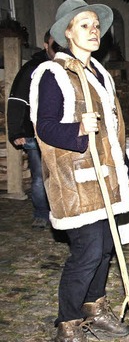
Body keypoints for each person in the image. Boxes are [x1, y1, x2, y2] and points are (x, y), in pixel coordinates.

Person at [29, 0, 129, 341]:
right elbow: (44, 127)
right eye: (84, 25)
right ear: (67, 32)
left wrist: (128, 170)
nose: (94, 30)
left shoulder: (100, 75)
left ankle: (95, 309)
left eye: (96, 25)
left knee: (104, 249)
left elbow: (113, 132)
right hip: (75, 179)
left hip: (105, 176)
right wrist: (76, 128)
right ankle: (69, 324)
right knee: (87, 252)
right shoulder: (53, 73)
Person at [7, 30, 57, 228]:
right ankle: (42, 213)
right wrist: (16, 132)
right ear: (46, 45)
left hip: (63, 133)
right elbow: (17, 99)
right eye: (54, 43)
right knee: (39, 177)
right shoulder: (33, 68)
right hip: (36, 134)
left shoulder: (68, 66)